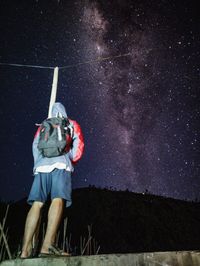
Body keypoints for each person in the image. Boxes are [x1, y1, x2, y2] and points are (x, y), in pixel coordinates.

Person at [20, 102, 84, 258]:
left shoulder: (43, 125)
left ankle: (24, 251)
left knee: (37, 204)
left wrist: (38, 164)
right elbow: (79, 146)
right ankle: (47, 246)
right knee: (57, 200)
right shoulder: (71, 123)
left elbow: (35, 145)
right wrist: (70, 160)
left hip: (41, 166)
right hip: (62, 164)